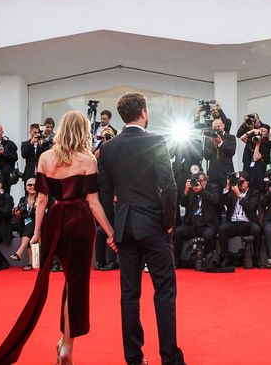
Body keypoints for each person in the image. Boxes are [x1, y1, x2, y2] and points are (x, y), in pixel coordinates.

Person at [0, 110, 115, 365]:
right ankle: (67, 345)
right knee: (75, 284)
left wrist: (36, 232)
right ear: (83, 131)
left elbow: (42, 201)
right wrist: (111, 233)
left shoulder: (45, 157)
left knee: (48, 282)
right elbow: (93, 202)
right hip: (80, 221)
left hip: (55, 220)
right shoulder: (88, 159)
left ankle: (64, 343)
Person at [99, 93, 184, 364]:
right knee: (165, 291)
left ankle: (134, 359)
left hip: (126, 228)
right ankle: (169, 358)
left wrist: (113, 229)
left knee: (129, 295)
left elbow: (104, 194)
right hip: (153, 226)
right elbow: (169, 186)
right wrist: (169, 222)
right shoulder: (156, 140)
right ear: (144, 113)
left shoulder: (108, 148)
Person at [173, 169, 219, 268]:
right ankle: (176, 260)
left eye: (202, 181)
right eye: (198, 181)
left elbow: (215, 201)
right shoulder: (191, 190)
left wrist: (202, 191)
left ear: (206, 181)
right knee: (178, 231)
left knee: (209, 234)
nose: (199, 183)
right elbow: (183, 203)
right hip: (192, 225)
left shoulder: (213, 188)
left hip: (207, 224)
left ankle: (209, 260)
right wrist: (185, 190)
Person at [217, 172, 262, 267]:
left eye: (242, 181)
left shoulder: (255, 192)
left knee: (257, 229)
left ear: (248, 182)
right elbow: (222, 203)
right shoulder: (232, 191)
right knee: (222, 229)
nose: (240, 184)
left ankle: (256, 259)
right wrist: (227, 187)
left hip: (247, 222)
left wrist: (239, 196)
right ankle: (225, 257)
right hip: (234, 222)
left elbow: (251, 207)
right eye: (239, 182)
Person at [9, 177, 39, 270]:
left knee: (30, 227)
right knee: (29, 228)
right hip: (26, 226)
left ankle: (19, 253)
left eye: (35, 185)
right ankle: (33, 263)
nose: (32, 187)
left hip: (40, 225)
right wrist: (17, 214)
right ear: (26, 187)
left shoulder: (41, 198)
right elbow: (20, 215)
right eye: (30, 185)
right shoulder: (23, 199)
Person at [203, 118, 236, 190]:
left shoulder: (231, 137)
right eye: (214, 127)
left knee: (227, 196)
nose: (217, 129)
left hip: (226, 173)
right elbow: (206, 156)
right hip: (213, 174)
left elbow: (231, 152)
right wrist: (213, 145)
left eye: (218, 126)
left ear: (223, 126)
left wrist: (220, 143)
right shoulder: (209, 139)